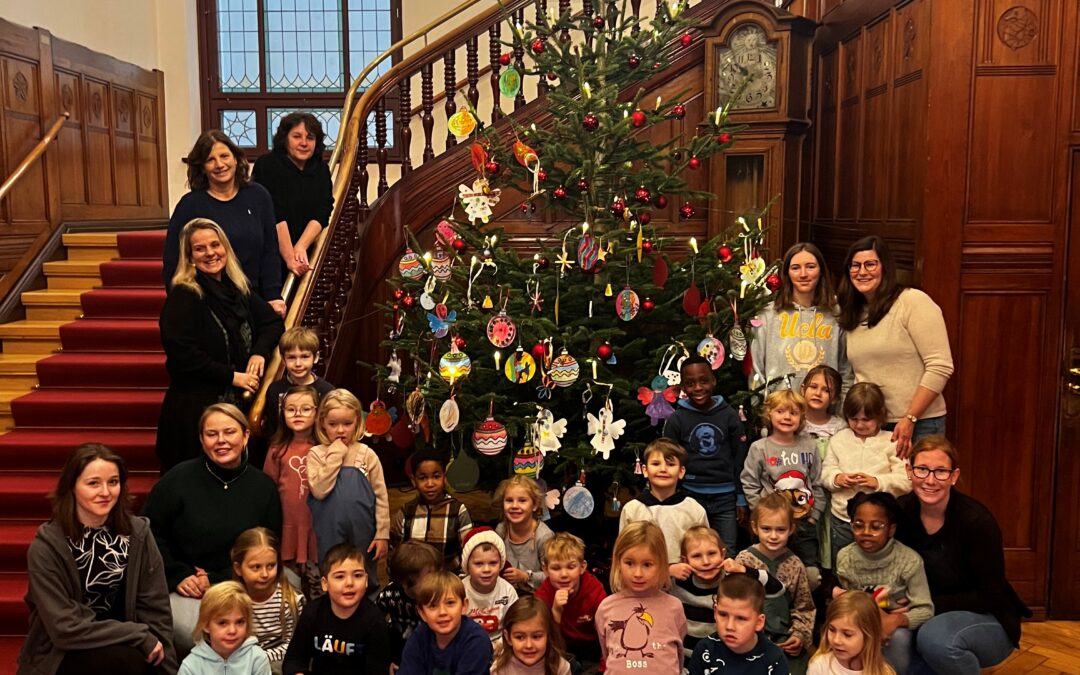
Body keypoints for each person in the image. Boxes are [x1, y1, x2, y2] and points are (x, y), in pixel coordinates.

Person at [19, 444, 177, 675]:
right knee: (124, 662)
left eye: (113, 482)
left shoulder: (138, 534)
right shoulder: (47, 546)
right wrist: (137, 634)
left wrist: (165, 665)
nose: (105, 492)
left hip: (129, 643)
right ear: (72, 486)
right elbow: (64, 628)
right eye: (93, 483)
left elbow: (156, 607)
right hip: (64, 649)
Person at [144, 403, 283, 652]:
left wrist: (220, 578)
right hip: (188, 587)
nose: (221, 441)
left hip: (244, 582)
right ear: (201, 438)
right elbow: (149, 534)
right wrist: (178, 575)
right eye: (212, 434)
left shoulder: (263, 487)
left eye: (229, 432)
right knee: (194, 635)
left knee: (266, 623)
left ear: (245, 435)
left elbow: (272, 545)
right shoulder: (177, 480)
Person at [156, 218, 284, 472]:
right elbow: (183, 356)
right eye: (200, 248)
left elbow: (272, 323)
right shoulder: (184, 295)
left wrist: (259, 352)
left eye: (215, 245)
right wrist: (232, 377)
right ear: (189, 257)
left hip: (236, 406)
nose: (210, 253)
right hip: (195, 411)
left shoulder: (237, 288)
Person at [895, 436, 1029, 674]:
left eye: (941, 472)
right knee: (889, 635)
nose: (930, 480)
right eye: (922, 469)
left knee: (935, 638)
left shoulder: (977, 522)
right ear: (909, 471)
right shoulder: (900, 512)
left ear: (954, 476)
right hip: (923, 612)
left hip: (985, 616)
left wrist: (922, 605)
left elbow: (990, 594)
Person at [837, 235, 954, 457]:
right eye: (855, 265)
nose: (862, 272)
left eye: (870, 264)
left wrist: (910, 417)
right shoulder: (853, 313)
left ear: (885, 267)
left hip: (919, 424)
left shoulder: (912, 302)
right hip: (871, 426)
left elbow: (940, 366)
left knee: (920, 489)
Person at [163, 130, 283, 313]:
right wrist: (180, 303)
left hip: (254, 299)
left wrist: (273, 295)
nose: (219, 164)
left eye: (224, 156)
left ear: (236, 159)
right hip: (208, 304)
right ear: (202, 167)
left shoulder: (259, 196)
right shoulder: (189, 205)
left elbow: (270, 251)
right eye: (210, 159)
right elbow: (174, 260)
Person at [832, 492, 931, 674]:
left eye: (876, 527)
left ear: (891, 529)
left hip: (896, 629)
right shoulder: (845, 558)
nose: (866, 533)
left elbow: (925, 609)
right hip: (858, 624)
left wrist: (897, 620)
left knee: (898, 638)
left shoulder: (909, 561)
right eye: (858, 526)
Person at [663, 355, 749, 555]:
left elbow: (740, 459)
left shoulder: (729, 416)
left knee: (728, 551)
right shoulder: (677, 419)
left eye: (703, 381)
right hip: (690, 496)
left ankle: (726, 587)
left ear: (713, 381)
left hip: (725, 497)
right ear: (683, 387)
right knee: (690, 550)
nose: (698, 388)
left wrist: (741, 498)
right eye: (690, 383)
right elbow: (670, 460)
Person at [306, 389, 390, 593]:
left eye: (347, 424)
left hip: (363, 531)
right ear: (322, 424)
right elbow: (319, 490)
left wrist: (382, 534)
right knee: (332, 570)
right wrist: (335, 454)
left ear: (357, 423)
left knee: (364, 572)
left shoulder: (367, 454)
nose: (340, 430)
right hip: (328, 529)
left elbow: (381, 496)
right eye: (333, 425)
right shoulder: (316, 454)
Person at [741, 389, 824, 584]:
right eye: (780, 411)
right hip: (771, 524)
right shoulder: (760, 448)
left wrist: (815, 516)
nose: (787, 417)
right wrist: (760, 513)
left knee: (810, 574)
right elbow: (749, 482)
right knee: (767, 573)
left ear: (801, 418)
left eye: (793, 413)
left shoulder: (810, 446)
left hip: (803, 522)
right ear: (769, 414)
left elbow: (817, 481)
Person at [821, 383, 910, 563]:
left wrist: (877, 482)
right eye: (854, 419)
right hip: (843, 520)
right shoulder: (839, 439)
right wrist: (837, 479)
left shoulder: (891, 441)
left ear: (880, 416)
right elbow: (826, 472)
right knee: (844, 563)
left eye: (866, 419)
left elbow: (906, 481)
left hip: (880, 523)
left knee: (880, 564)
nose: (860, 425)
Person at [750, 242, 851, 393]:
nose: (803, 274)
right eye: (795, 268)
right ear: (787, 273)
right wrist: (762, 408)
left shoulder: (837, 312)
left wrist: (840, 409)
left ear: (821, 271)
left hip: (825, 412)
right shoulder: (768, 313)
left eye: (810, 267)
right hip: (780, 411)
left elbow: (846, 369)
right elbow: (756, 369)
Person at [671, 526, 785, 658]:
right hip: (687, 658)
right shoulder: (678, 581)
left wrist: (743, 570)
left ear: (723, 554)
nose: (706, 562)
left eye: (712, 553)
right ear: (685, 561)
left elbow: (778, 589)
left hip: (726, 657)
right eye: (697, 556)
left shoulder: (733, 580)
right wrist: (668, 571)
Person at [735, 494, 815, 675]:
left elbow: (804, 607)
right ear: (755, 528)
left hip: (783, 641)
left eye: (780, 530)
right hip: (747, 638)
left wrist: (799, 635)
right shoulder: (744, 560)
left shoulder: (795, 564)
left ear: (791, 529)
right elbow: (732, 601)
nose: (773, 536)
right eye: (766, 529)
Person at [282, 543, 391, 674]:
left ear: (366, 581)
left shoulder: (374, 620)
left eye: (357, 575)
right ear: (325, 584)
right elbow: (293, 661)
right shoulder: (312, 612)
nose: (349, 583)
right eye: (340, 577)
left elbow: (378, 671)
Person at [594, 521, 687, 675]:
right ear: (618, 562)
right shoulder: (606, 608)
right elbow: (607, 652)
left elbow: (678, 653)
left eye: (647, 565)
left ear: (661, 564)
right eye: (629, 563)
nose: (637, 573)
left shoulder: (674, 607)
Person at [251, 112, 333, 279]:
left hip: (306, 250)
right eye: (297, 136)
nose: (304, 143)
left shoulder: (321, 169)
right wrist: (290, 257)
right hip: (270, 252)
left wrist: (301, 248)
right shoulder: (267, 165)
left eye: (310, 138)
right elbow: (274, 214)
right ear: (284, 138)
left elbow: (323, 211)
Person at [617, 438, 706, 577]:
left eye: (670, 464)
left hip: (686, 587)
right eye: (656, 464)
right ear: (645, 470)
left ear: (681, 471)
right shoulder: (632, 509)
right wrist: (665, 571)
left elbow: (704, 549)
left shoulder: (694, 509)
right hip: (643, 583)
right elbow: (624, 552)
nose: (663, 469)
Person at [263, 385, 321, 599]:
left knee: (318, 589)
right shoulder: (277, 448)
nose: (298, 414)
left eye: (306, 409)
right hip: (287, 527)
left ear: (317, 413)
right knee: (291, 590)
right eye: (291, 409)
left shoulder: (324, 447)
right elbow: (268, 488)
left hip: (315, 527)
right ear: (283, 413)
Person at [230, 528, 305, 673]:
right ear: (238, 569)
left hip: (278, 662)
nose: (264, 574)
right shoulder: (232, 601)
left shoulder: (291, 601)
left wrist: (259, 658)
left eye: (271, 566)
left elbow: (295, 646)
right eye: (256, 567)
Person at [686, 574, 789, 675]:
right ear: (715, 612)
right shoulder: (704, 650)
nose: (729, 626)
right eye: (723, 614)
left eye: (741, 618)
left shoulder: (774, 659)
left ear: (759, 622)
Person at [391, 449, 473, 571]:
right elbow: (395, 554)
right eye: (422, 478)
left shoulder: (457, 510)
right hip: (414, 581)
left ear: (444, 477)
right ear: (414, 480)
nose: (430, 483)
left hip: (448, 581)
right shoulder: (406, 512)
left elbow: (468, 551)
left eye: (436, 476)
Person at [399, 570, 494, 674]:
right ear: (422, 613)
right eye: (433, 606)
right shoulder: (419, 637)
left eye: (450, 603)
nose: (442, 612)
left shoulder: (477, 640)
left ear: (464, 606)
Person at [535, 533, 606, 669]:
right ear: (545, 570)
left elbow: (606, 632)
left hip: (592, 648)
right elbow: (544, 639)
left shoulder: (594, 590)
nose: (564, 575)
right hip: (561, 647)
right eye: (556, 568)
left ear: (582, 567)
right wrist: (556, 611)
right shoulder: (543, 595)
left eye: (571, 567)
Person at [799, 364, 846, 570]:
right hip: (801, 494)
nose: (818, 393)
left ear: (834, 398)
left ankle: (827, 575)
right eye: (813, 387)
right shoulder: (794, 421)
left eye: (826, 390)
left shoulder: (839, 426)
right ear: (803, 389)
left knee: (826, 534)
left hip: (829, 494)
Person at [178, 581, 271, 675]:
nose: (232, 631)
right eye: (222, 623)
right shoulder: (190, 666)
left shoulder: (257, 658)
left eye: (239, 622)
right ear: (206, 625)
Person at [262, 327, 335, 442]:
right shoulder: (274, 390)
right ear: (283, 359)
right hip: (283, 449)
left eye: (305, 357)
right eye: (291, 357)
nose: (298, 364)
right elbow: (273, 430)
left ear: (316, 357)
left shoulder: (327, 391)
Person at [377, 541, 442, 669]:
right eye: (429, 577)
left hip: (433, 653)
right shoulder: (390, 595)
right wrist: (388, 659)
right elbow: (375, 624)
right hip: (399, 651)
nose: (436, 581)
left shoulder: (440, 594)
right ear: (406, 583)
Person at [809, 591, 896, 675]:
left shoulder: (884, 672)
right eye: (832, 630)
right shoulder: (819, 666)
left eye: (847, 634)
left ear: (869, 636)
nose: (836, 640)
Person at [494, 476, 555, 593]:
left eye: (522, 501)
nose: (514, 506)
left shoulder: (543, 536)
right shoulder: (501, 530)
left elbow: (553, 576)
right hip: (505, 593)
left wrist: (525, 576)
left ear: (535, 505)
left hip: (535, 597)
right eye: (509, 500)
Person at [461, 527, 519, 645]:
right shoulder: (460, 590)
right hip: (467, 643)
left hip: (500, 642)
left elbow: (516, 624)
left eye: (493, 563)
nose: (486, 569)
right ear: (467, 566)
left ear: (501, 563)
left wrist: (501, 644)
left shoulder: (508, 591)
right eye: (478, 564)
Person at [491, 597, 572, 675]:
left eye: (536, 637)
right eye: (520, 637)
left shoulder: (560, 667)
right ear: (508, 637)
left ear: (548, 635)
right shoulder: (499, 669)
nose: (529, 645)